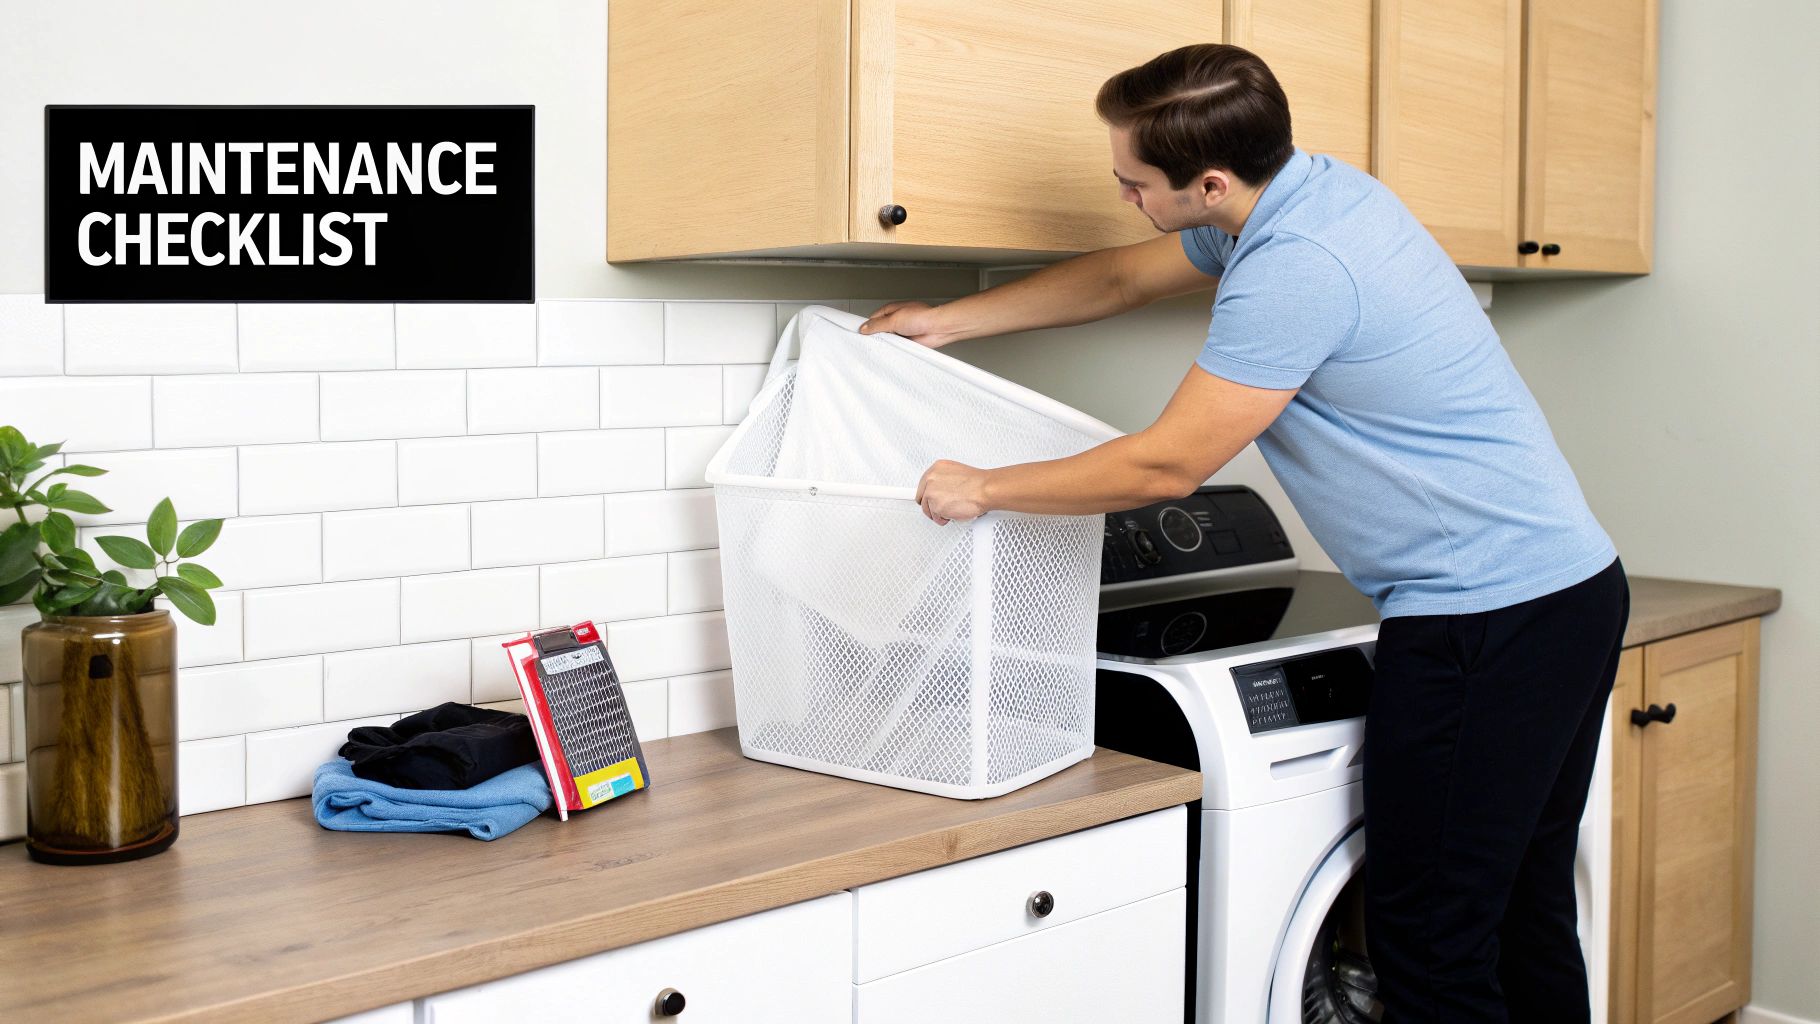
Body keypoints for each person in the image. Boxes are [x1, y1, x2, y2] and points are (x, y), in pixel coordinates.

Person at [858, 42, 1630, 1024]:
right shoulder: (1310, 193)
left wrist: (981, 487)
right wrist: (947, 320)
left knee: (1430, 945)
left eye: (1134, 182)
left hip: (1483, 619)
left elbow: (1164, 466)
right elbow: (1113, 283)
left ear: (1209, 181)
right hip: (1564, 592)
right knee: (1519, 912)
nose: (1125, 196)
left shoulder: (1294, 267)